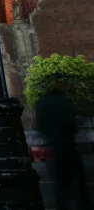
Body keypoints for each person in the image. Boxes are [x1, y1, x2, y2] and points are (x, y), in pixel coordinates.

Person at [35, 82, 92, 210]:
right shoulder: (64, 101)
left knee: (60, 185)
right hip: (67, 144)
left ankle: (63, 206)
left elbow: (40, 124)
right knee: (78, 182)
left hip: (52, 145)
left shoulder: (44, 102)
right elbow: (71, 122)